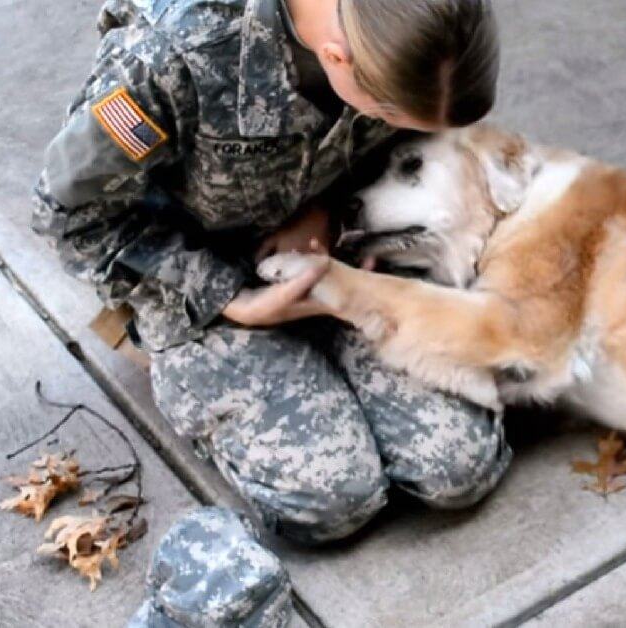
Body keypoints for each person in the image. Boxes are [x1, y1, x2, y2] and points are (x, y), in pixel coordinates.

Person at [31, 0, 512, 548]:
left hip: (341, 250)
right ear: (336, 57)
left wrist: (327, 215)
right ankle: (185, 363)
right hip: (202, 280)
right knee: (335, 502)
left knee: (458, 467)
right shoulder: (172, 57)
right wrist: (231, 298)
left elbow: (415, 138)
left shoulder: (419, 26)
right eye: (388, 114)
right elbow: (68, 214)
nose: (389, 125)